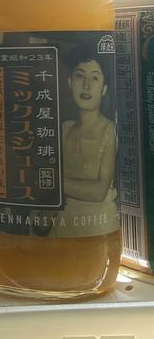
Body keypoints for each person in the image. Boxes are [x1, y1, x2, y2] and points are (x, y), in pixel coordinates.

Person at [49, 51, 118, 237]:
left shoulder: (110, 130)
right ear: (70, 83)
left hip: (98, 225)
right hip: (63, 223)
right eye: (80, 76)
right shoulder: (64, 129)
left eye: (95, 78)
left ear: (104, 88)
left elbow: (99, 191)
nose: (86, 85)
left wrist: (52, 182)